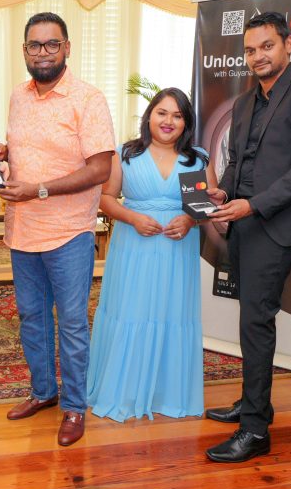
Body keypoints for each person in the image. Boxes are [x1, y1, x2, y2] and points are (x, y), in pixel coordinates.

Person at [203, 11, 291, 463]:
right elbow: (240, 161)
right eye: (250, 49)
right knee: (250, 320)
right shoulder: (245, 102)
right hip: (243, 222)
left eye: (266, 46)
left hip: (275, 227)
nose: (257, 56)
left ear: (288, 45)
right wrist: (225, 191)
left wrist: (254, 204)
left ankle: (255, 430)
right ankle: (253, 402)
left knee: (256, 322)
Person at [0, 12, 116, 447]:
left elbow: (100, 168)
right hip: (22, 230)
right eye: (35, 45)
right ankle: (43, 392)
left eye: (52, 44)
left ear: (67, 48)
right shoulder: (17, 96)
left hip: (68, 232)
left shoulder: (88, 99)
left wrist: (40, 190)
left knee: (70, 323)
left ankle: (73, 407)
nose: (43, 52)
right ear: (24, 50)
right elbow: (23, 152)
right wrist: (3, 159)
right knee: (31, 318)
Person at [87, 88, 208, 421]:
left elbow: (202, 207)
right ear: (149, 116)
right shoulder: (124, 154)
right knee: (132, 312)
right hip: (134, 246)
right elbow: (106, 199)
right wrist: (133, 218)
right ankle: (122, 390)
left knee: (172, 314)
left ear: (186, 122)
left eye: (177, 115)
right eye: (162, 113)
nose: (169, 121)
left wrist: (189, 219)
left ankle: (164, 393)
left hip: (177, 250)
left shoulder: (196, 159)